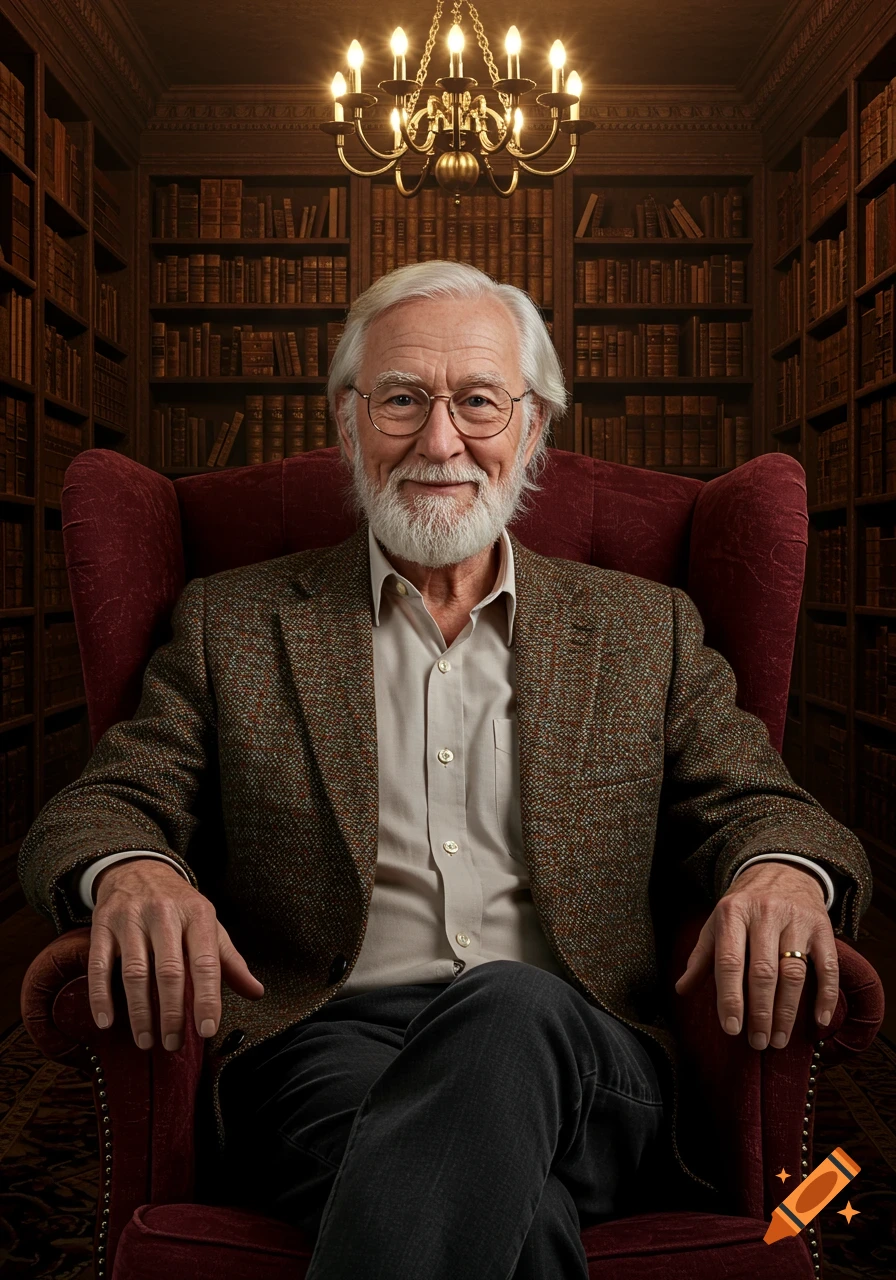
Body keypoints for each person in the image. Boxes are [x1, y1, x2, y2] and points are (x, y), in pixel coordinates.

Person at [19, 260, 872, 1280]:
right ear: (347, 423)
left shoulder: (644, 629)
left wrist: (778, 867)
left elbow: (767, 805)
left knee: (509, 1008)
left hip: (583, 1046)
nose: (437, 442)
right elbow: (100, 800)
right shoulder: (233, 622)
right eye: (400, 400)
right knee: (492, 1193)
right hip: (320, 1042)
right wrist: (131, 870)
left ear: (532, 430)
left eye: (475, 401)